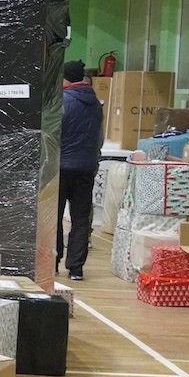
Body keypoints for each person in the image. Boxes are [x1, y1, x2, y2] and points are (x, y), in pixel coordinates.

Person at [57, 60, 103, 282]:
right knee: (81, 219)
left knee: (53, 218)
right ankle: (76, 268)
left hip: (61, 168)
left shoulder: (62, 101)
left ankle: (53, 261)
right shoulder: (96, 103)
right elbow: (99, 138)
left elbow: (52, 135)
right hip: (86, 167)